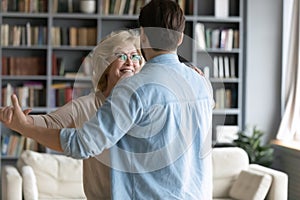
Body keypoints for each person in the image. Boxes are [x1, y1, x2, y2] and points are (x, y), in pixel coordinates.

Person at [1, 0, 214, 199]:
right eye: (121, 56)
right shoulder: (201, 83)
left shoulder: (134, 89)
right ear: (180, 37)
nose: (129, 62)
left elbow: (81, 144)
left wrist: (24, 127)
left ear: (143, 37)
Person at [0, 29, 144, 199]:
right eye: (121, 55)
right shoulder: (87, 105)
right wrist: (22, 121)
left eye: (135, 57)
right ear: (105, 64)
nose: (129, 62)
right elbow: (49, 123)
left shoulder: (146, 103)